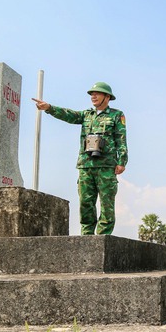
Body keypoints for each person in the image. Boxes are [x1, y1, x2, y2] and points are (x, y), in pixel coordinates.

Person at [32, 82, 127, 235]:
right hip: (86, 165)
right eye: (91, 94)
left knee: (107, 203)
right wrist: (49, 108)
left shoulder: (116, 115)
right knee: (86, 203)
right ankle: (87, 235)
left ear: (107, 97)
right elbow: (68, 115)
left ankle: (103, 236)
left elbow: (121, 139)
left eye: (97, 93)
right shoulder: (86, 115)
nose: (93, 96)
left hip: (106, 166)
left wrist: (122, 161)